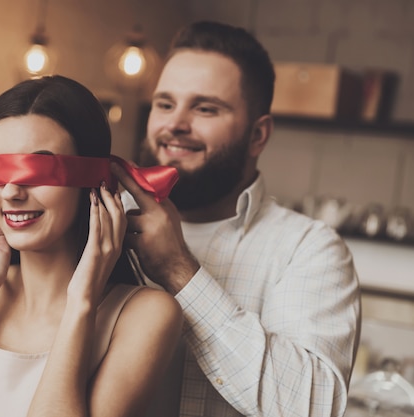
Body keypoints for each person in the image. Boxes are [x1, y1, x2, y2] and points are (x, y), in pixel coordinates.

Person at [0, 75, 183, 417]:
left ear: (94, 183)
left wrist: (81, 302)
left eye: (39, 168)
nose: (12, 192)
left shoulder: (145, 315)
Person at [111, 21, 362, 417]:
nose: (174, 124)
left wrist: (179, 271)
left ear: (258, 136)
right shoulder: (103, 219)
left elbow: (311, 408)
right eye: (164, 104)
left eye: (205, 108)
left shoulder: (308, 249)